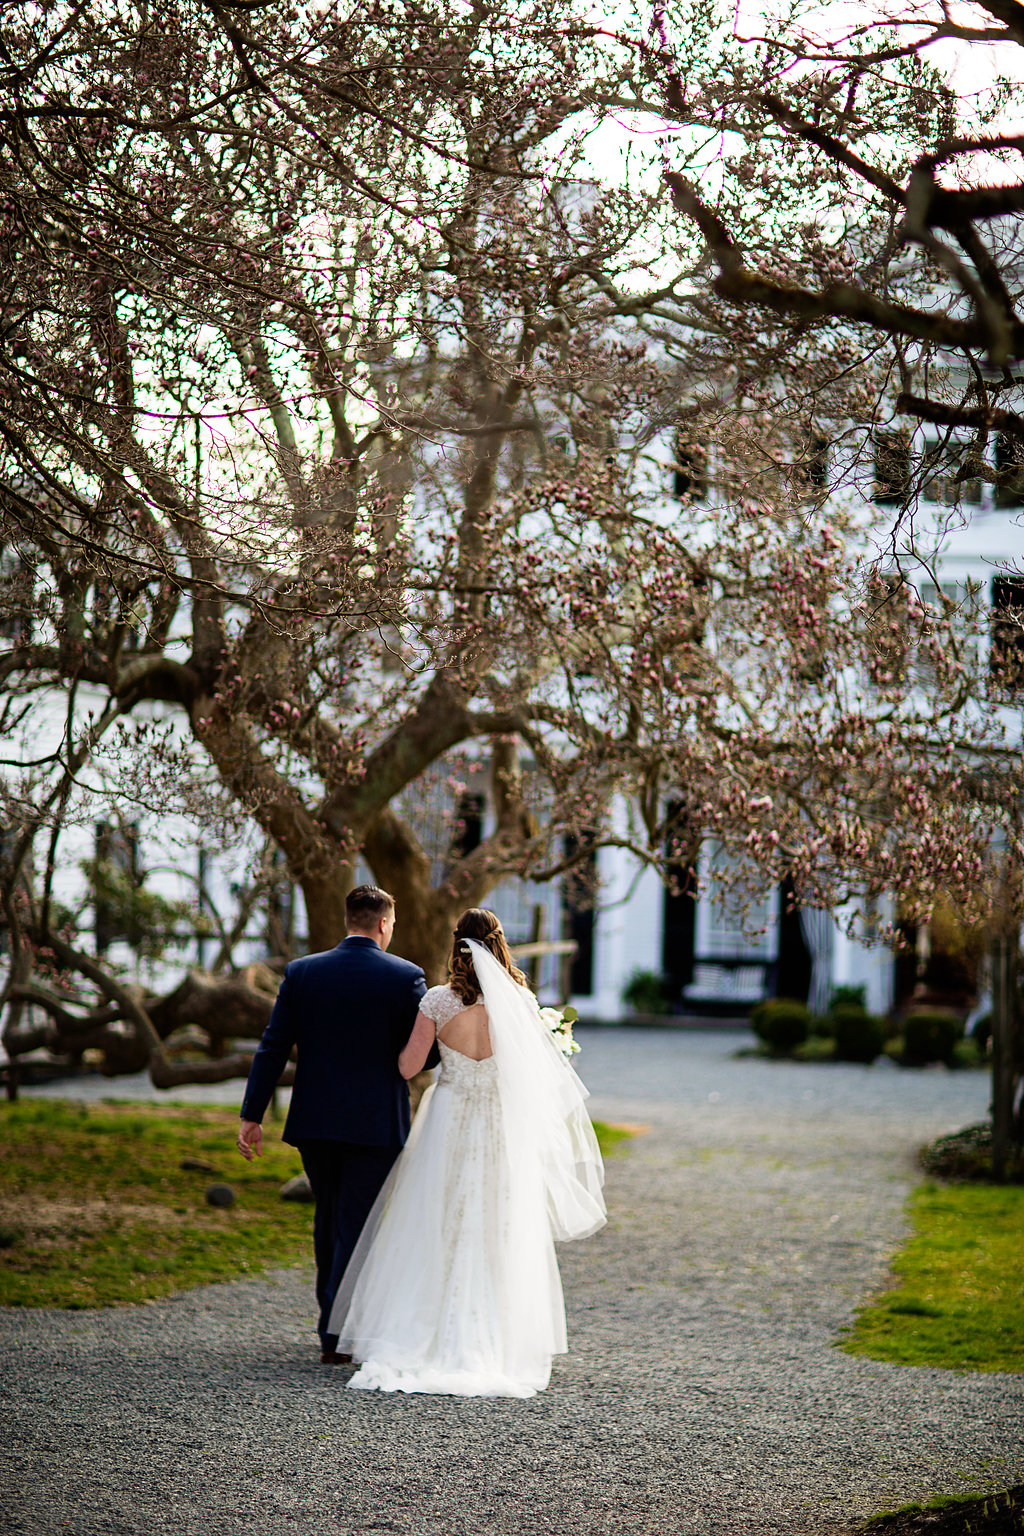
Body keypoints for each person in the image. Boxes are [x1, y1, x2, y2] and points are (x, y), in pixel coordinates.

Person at [328, 907, 606, 1398]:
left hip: (450, 1117)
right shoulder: (519, 1001)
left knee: (438, 1218)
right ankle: (497, 1338)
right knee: (496, 1221)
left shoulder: (437, 1001)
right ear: (498, 943)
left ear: (456, 944)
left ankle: (427, 1330)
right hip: (499, 1124)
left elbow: (408, 1066)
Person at [237, 885, 429, 1364]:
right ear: (384, 923)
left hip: (316, 1120)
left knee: (329, 1218)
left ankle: (333, 1327)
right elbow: (424, 1051)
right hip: (375, 1122)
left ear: (349, 920)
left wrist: (251, 1115)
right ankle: (339, 1332)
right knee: (356, 1223)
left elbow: (272, 1046)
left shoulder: (303, 972)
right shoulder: (406, 977)